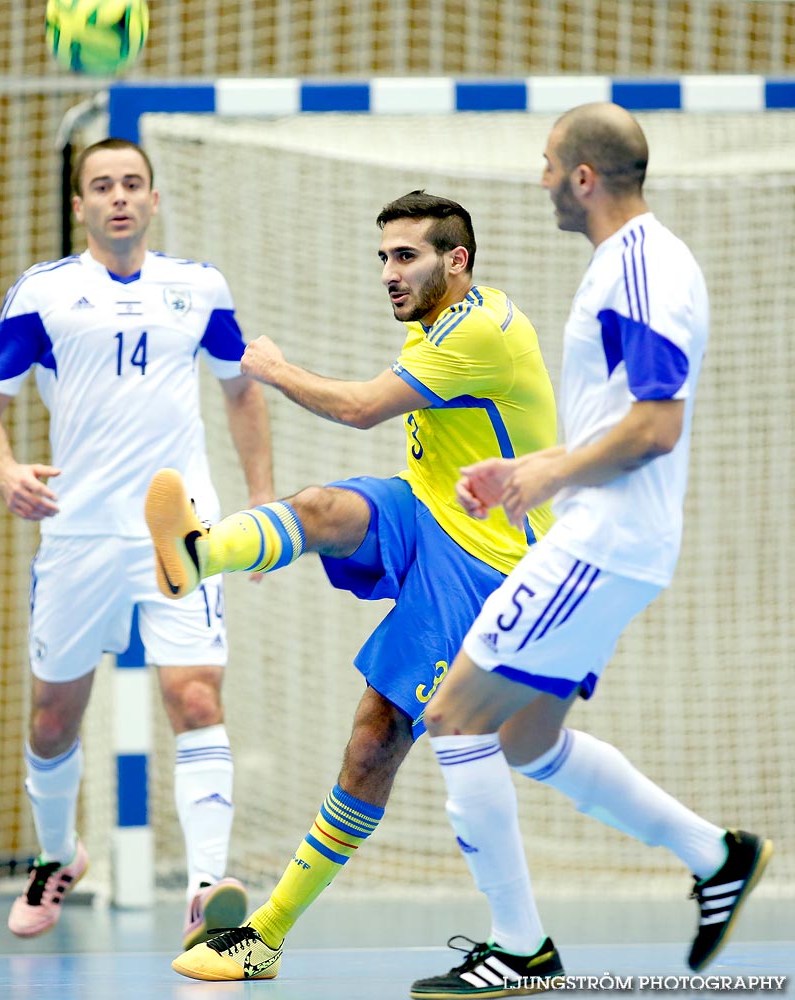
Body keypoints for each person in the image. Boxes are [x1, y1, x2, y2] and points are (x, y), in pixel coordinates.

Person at [147, 190, 560, 981]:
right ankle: (197, 556)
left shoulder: (476, 332)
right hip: (431, 514)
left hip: (485, 567)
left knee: (374, 744)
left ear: (457, 261)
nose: (388, 273)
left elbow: (364, 408)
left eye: (405, 256)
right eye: (383, 257)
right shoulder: (443, 319)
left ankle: (266, 933)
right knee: (321, 508)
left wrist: (268, 368)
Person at [410, 103, 773, 999]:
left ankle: (520, 948)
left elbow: (655, 426)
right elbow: (617, 420)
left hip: (607, 541)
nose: (538, 181)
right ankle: (717, 855)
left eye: (546, 165)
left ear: (582, 177)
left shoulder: (646, 269)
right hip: (604, 533)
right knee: (530, 739)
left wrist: (547, 482)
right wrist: (526, 470)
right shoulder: (621, 265)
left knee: (454, 718)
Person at [0, 137, 274, 947]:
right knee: (53, 720)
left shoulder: (199, 288)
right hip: (78, 533)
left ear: (154, 198)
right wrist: (4, 473)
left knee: (196, 697)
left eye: (133, 183)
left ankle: (208, 893)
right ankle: (58, 855)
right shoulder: (44, 294)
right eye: (102, 186)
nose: (120, 198)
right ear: (80, 206)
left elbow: (242, 392)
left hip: (179, 528)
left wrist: (265, 506)